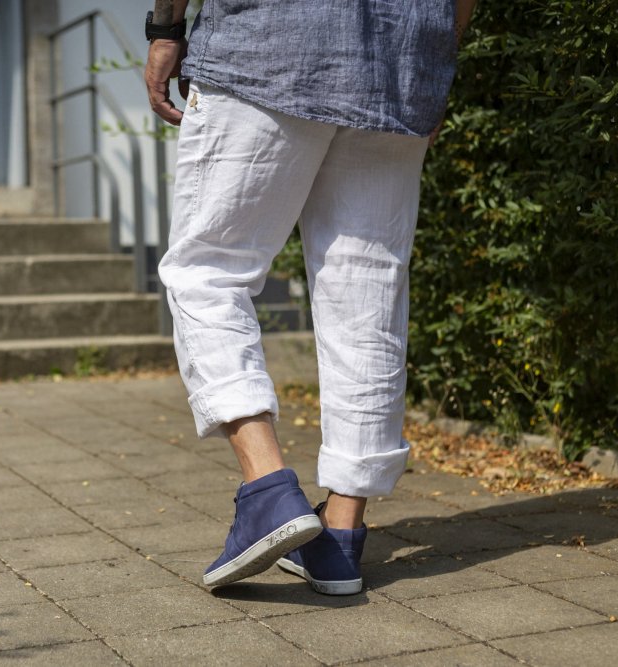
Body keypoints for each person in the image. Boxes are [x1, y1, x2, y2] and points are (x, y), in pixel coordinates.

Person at [145, 0, 476, 594]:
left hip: (266, 46)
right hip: (398, 64)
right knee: (367, 291)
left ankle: (269, 489)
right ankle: (340, 537)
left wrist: (166, 27)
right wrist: (432, 60)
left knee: (208, 271)